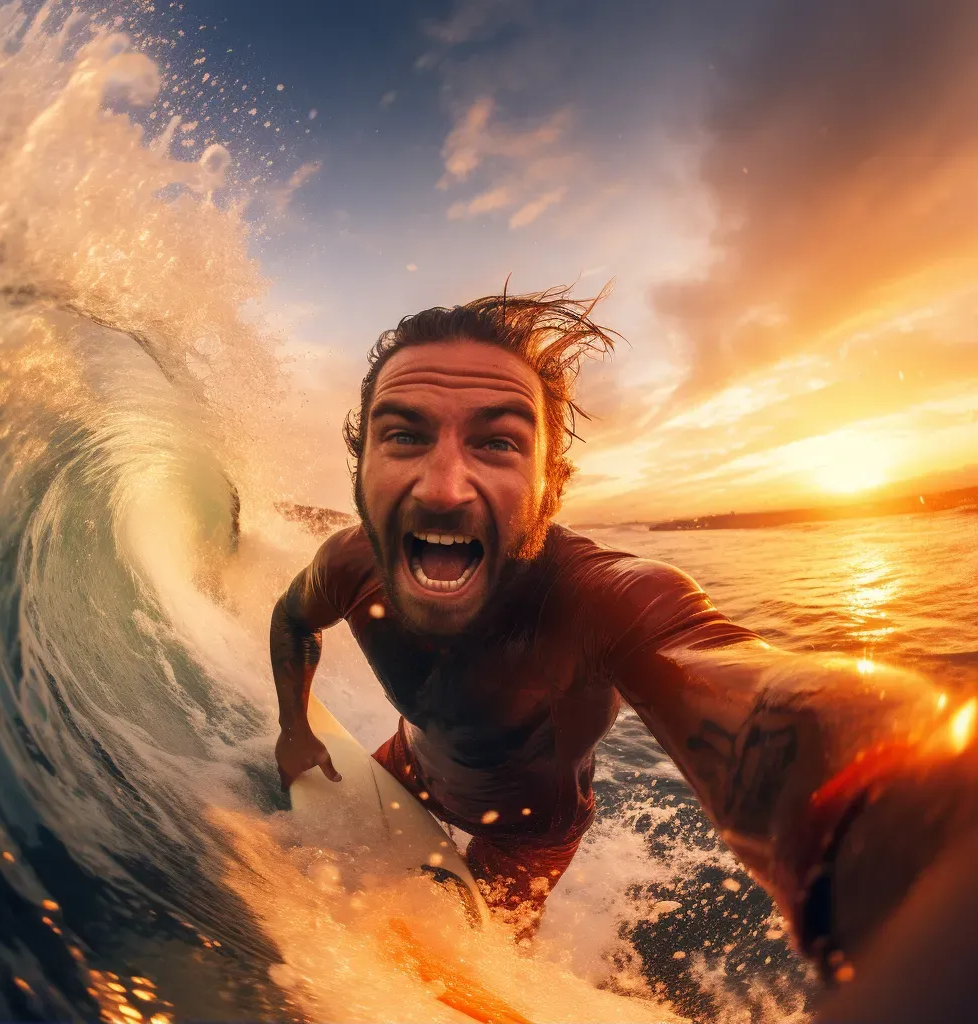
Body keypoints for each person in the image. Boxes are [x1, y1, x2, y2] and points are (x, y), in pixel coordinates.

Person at [270, 288, 977, 979]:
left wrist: (914, 810)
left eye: (497, 443)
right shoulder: (346, 565)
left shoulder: (605, 598)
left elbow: (740, 683)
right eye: (403, 436)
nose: (443, 489)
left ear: (552, 486)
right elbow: (292, 619)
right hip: (408, 765)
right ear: (361, 469)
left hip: (526, 834)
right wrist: (293, 727)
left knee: (478, 967)